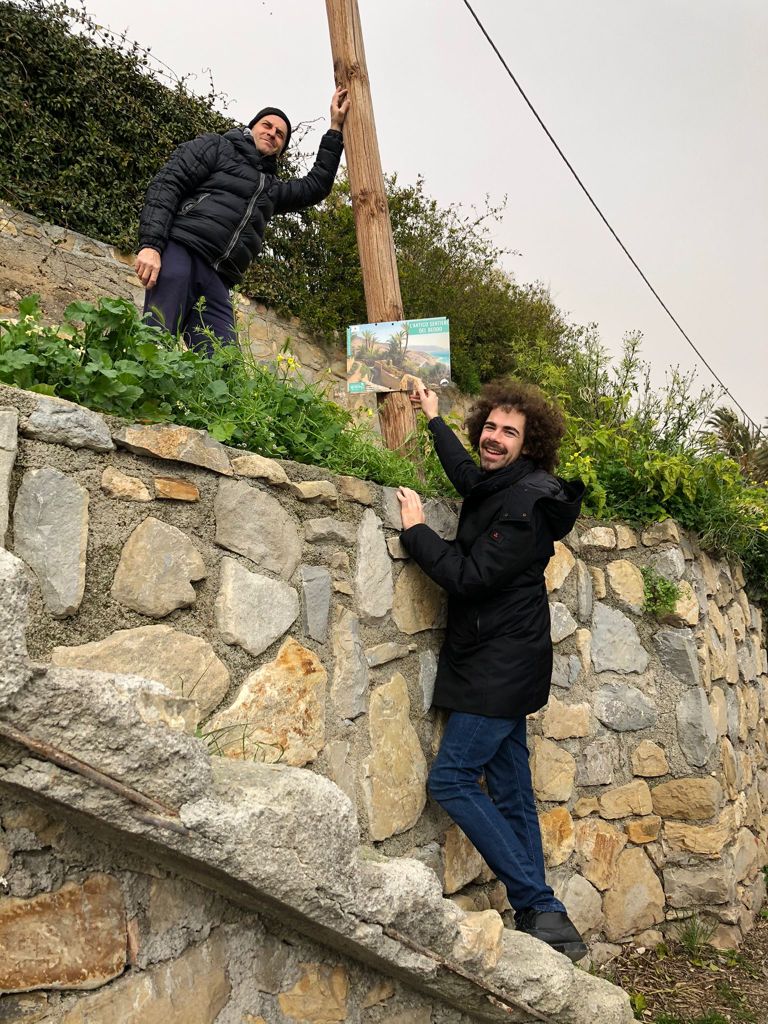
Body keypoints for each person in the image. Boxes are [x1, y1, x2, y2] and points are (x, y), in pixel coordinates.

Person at [396, 380, 588, 962]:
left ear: (530, 445)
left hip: (500, 665)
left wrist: (417, 531)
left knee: (451, 779)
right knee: (510, 790)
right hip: (504, 659)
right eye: (490, 427)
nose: (494, 439)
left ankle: (539, 904)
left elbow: (470, 576)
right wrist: (434, 420)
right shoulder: (506, 485)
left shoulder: (528, 506)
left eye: (509, 432)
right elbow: (470, 479)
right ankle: (545, 920)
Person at [135, 87, 350, 353]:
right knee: (154, 343)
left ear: (281, 149)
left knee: (224, 365)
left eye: (280, 134)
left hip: (218, 279)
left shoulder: (271, 190)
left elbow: (316, 186)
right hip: (182, 252)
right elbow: (168, 184)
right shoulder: (217, 147)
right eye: (267, 125)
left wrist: (335, 127)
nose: (272, 133)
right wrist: (151, 245)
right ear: (252, 127)